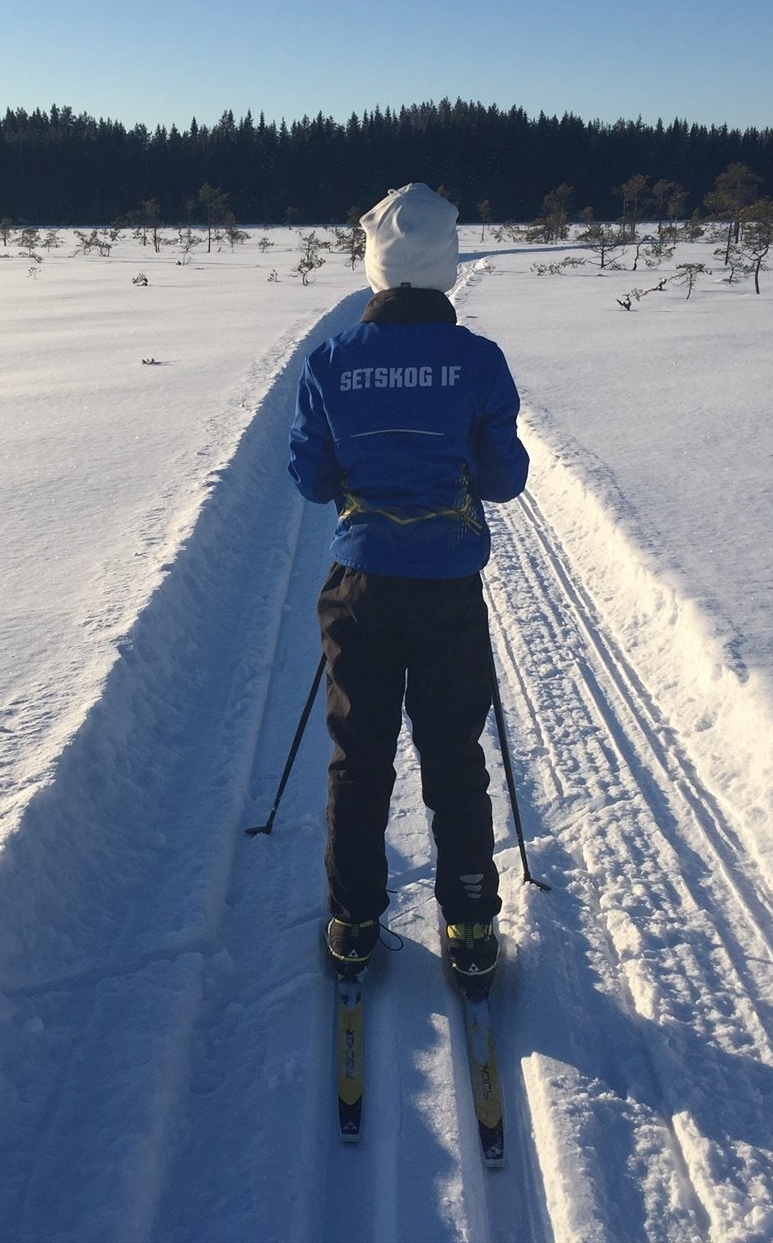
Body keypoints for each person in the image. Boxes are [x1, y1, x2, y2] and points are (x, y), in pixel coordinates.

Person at [287, 183, 529, 999]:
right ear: (447, 268)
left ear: (378, 268)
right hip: (450, 588)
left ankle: (354, 920)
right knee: (453, 755)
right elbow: (504, 479)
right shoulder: (480, 361)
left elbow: (310, 476)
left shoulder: (330, 360)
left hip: (360, 585)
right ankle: (468, 920)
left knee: (360, 758)